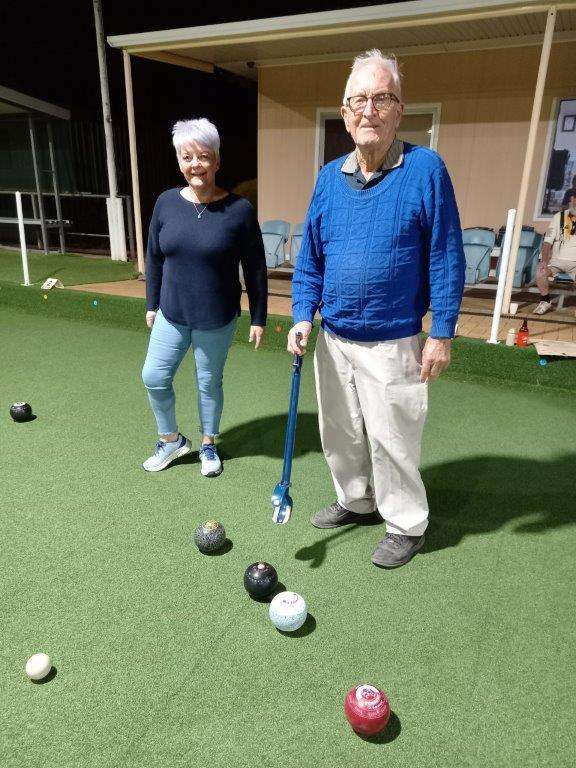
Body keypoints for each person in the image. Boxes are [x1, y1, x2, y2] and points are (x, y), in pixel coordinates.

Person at [288, 49, 465, 569]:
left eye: (381, 98)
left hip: (394, 338)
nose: (369, 109)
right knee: (339, 433)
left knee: (394, 438)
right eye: (358, 100)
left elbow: (446, 254)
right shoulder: (328, 177)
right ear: (344, 113)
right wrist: (302, 314)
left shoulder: (425, 168)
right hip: (334, 335)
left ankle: (406, 523)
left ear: (399, 109)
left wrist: (443, 332)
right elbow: (310, 257)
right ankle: (357, 500)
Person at [142, 118, 267, 476]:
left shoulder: (239, 210)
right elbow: (154, 256)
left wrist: (258, 317)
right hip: (172, 313)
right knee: (153, 376)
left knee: (208, 382)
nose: (195, 165)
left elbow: (255, 267)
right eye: (187, 157)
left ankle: (209, 444)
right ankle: (170, 440)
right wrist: (152, 304)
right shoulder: (166, 203)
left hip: (217, 317)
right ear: (179, 160)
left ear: (216, 160)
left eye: (203, 156)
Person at [534, 190, 576, 315]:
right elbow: (547, 243)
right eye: (575, 198)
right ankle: (545, 301)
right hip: (556, 263)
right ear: (572, 199)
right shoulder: (559, 217)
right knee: (540, 272)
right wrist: (544, 261)